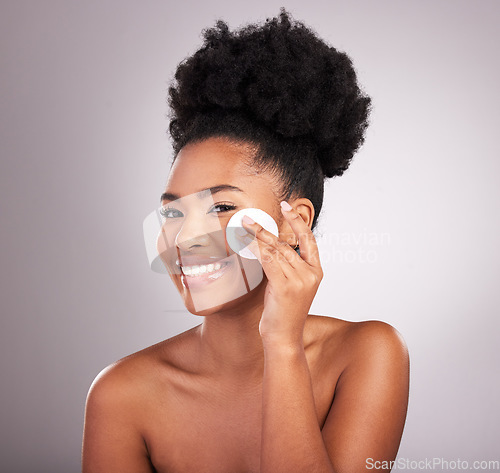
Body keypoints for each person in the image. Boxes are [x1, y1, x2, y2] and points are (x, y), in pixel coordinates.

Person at [81, 9, 409, 473]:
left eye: (221, 207)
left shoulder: (368, 354)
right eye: (173, 212)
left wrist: (281, 342)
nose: (186, 239)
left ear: (295, 222)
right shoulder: (122, 394)